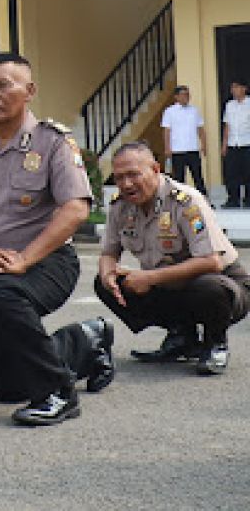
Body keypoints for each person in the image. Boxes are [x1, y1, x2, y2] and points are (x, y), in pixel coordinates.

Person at [0, 52, 114, 427]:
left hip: (48, 263)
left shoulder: (53, 143)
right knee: (8, 386)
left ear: (29, 91)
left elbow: (75, 209)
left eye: (3, 85)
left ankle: (59, 391)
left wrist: (25, 259)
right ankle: (86, 339)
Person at [97, 142, 249, 375]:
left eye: (133, 175)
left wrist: (149, 277)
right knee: (105, 283)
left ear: (156, 170)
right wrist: (108, 274)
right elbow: (109, 251)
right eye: (119, 178)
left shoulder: (185, 201)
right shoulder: (120, 206)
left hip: (223, 283)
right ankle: (182, 336)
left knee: (209, 287)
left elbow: (212, 261)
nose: (126, 184)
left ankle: (215, 343)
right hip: (167, 282)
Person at [160, 85, 207, 195]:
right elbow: (166, 130)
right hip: (177, 150)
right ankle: (179, 202)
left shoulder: (194, 110)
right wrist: (167, 147)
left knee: (198, 176)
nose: (186, 97)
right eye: (183, 94)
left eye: (188, 94)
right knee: (179, 178)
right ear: (176, 97)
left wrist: (204, 144)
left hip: (193, 149)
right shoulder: (169, 111)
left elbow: (200, 129)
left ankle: (204, 199)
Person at [222, 78, 250, 208]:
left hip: (247, 144)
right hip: (233, 144)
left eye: (236, 87)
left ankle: (248, 199)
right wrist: (224, 145)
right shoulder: (229, 105)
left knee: (248, 172)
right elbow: (227, 125)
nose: (233, 90)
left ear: (244, 88)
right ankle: (233, 199)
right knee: (231, 173)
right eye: (232, 87)